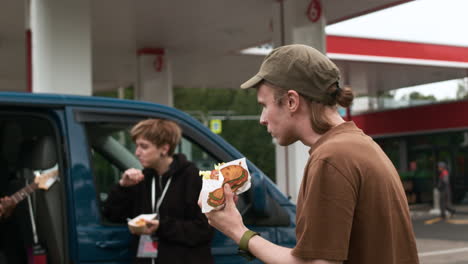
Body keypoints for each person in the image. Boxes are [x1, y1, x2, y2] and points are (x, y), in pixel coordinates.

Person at [203, 44, 419, 264]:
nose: (262, 119)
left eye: (264, 105)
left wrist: (237, 231)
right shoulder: (358, 146)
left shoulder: (332, 158)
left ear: (291, 101)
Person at [102, 119, 214, 264]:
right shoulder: (143, 179)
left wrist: (161, 227)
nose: (137, 152)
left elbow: (204, 229)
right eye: (137, 146)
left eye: (144, 147)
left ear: (164, 149)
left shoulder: (192, 178)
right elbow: (112, 215)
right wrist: (123, 187)